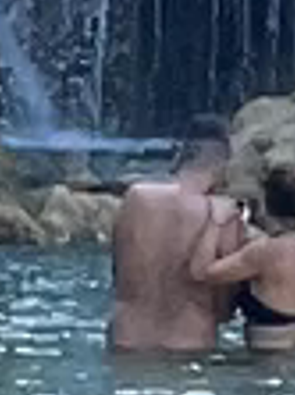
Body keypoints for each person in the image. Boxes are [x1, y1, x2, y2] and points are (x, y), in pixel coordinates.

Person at [106, 129, 253, 363]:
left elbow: (118, 272)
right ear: (222, 167)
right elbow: (225, 308)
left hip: (127, 339)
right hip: (190, 343)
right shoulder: (223, 215)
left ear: (182, 158)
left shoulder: (135, 197)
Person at [225, 160, 295, 338]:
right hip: (292, 352)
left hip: (264, 361)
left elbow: (204, 273)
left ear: (266, 204)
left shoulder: (264, 252)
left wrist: (218, 221)